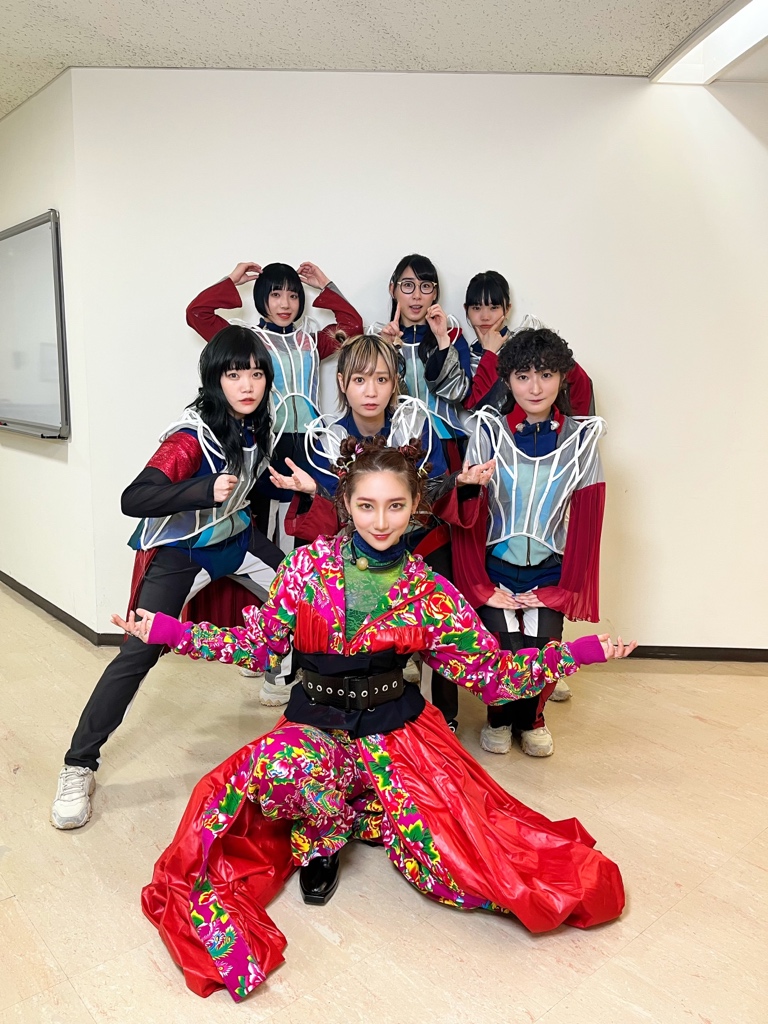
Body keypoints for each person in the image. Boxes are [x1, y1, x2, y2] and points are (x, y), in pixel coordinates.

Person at [119, 438, 635, 1002]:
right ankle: (322, 837)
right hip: (315, 725)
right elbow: (257, 646)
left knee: (458, 865)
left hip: (398, 734)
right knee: (256, 782)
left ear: (416, 506)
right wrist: (168, 630)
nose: (381, 521)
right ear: (346, 503)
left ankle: (374, 807)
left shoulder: (429, 590)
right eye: (367, 506)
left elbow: (491, 676)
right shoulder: (305, 568)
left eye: (395, 506)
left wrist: (578, 653)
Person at [50, 326, 286, 831]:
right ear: (214, 379)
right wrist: (202, 489)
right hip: (182, 550)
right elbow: (133, 498)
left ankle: (282, 671)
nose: (247, 384)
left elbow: (256, 478)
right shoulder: (188, 438)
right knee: (139, 651)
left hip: (236, 538)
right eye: (234, 374)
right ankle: (78, 764)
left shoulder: (258, 422)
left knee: (305, 598)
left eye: (256, 373)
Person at [187, 260, 363, 703]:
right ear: (261, 298)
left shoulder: (311, 340)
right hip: (263, 443)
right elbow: (197, 314)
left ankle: (297, 650)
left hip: (310, 446)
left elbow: (353, 325)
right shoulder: (250, 343)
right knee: (259, 544)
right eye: (275, 294)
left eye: (293, 295)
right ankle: (264, 648)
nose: (286, 303)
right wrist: (230, 281)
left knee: (306, 544)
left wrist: (325, 284)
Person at [447, 327, 606, 757]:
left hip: (549, 570)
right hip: (495, 567)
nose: (535, 388)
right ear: (508, 380)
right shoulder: (489, 432)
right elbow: (468, 518)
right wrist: (479, 586)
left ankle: (532, 720)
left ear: (563, 378)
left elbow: (587, 524)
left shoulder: (581, 439)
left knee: (543, 651)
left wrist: (563, 589)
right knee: (503, 649)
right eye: (522, 376)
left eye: (546, 375)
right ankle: (499, 719)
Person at [462, 270, 594, 419]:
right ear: (466, 310)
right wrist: (489, 354)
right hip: (493, 432)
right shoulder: (464, 355)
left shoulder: (525, 345)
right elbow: (474, 405)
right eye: (476, 308)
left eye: (494, 307)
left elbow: (579, 380)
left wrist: (576, 426)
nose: (485, 317)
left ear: (507, 309)